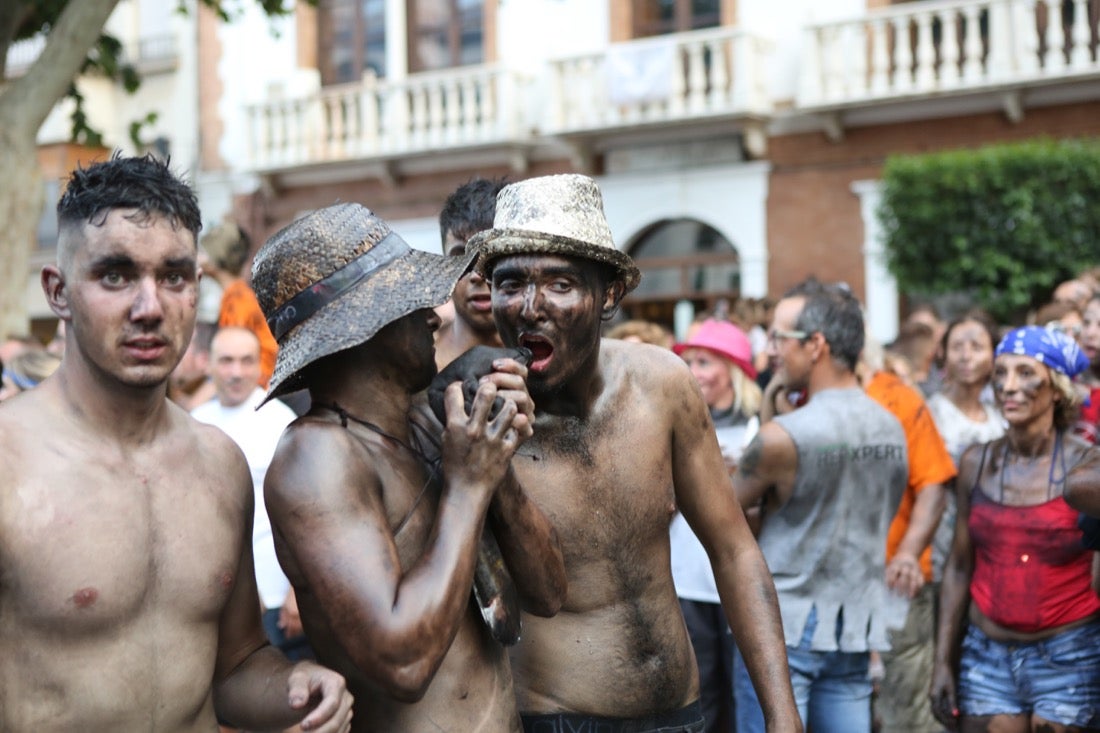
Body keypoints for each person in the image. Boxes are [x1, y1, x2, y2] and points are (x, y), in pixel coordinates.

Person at [0, 154, 352, 732]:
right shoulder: (12, 463)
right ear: (58, 292)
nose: (150, 308)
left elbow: (236, 666)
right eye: (115, 275)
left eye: (174, 277)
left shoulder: (220, 464)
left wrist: (296, 684)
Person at [468, 173, 800, 733]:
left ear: (609, 295)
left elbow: (734, 549)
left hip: (680, 712)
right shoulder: (476, 418)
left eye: (560, 283)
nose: (529, 307)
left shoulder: (664, 383)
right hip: (554, 719)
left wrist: (783, 715)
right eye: (511, 283)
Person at [252, 202, 566, 731]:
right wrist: (467, 487)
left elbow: (548, 594)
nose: (433, 315)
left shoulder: (429, 422)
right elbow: (405, 665)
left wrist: (495, 464)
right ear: (358, 331)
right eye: (407, 303)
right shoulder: (316, 455)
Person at [729, 278, 909, 733]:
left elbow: (723, 517)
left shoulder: (782, 438)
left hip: (782, 628)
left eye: (779, 338)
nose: (771, 350)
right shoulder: (890, 427)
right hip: (852, 625)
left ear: (816, 345)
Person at [931, 325, 1100, 731]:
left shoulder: (1085, 470)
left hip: (1070, 656)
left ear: (1057, 388)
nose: (1009, 386)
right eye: (1002, 373)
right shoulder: (976, 462)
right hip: (986, 655)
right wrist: (942, 662)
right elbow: (958, 566)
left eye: (1026, 373)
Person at [191, 326, 312, 662]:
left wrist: (296, 592)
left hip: (277, 595)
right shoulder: (196, 423)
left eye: (246, 361)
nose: (236, 372)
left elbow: (305, 511)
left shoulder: (280, 421)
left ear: (261, 365)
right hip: (221, 599)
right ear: (208, 364)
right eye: (226, 361)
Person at [859, 339, 957, 733]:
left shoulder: (898, 398)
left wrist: (908, 553)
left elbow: (934, 484)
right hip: (829, 587)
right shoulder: (799, 399)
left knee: (907, 710)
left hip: (895, 580)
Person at [671, 319, 764, 733]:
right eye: (687, 361)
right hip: (687, 582)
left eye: (704, 361)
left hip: (740, 580)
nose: (692, 371)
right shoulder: (674, 426)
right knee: (702, 695)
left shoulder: (760, 428)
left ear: (733, 370)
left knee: (746, 693)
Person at [926, 311, 1005, 580]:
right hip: (941, 545)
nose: (965, 355)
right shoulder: (929, 413)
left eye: (977, 347)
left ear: (994, 355)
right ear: (943, 354)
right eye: (957, 347)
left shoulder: (1000, 415)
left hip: (992, 547)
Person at [434, 176, 509, 368]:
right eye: (462, 257)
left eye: (492, 255)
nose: (477, 276)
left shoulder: (549, 362)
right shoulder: (425, 367)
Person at [200, 218, 279, 388]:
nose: (198, 259)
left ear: (215, 261)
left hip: (257, 386)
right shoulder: (236, 296)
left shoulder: (238, 302)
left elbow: (232, 359)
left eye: (203, 253)